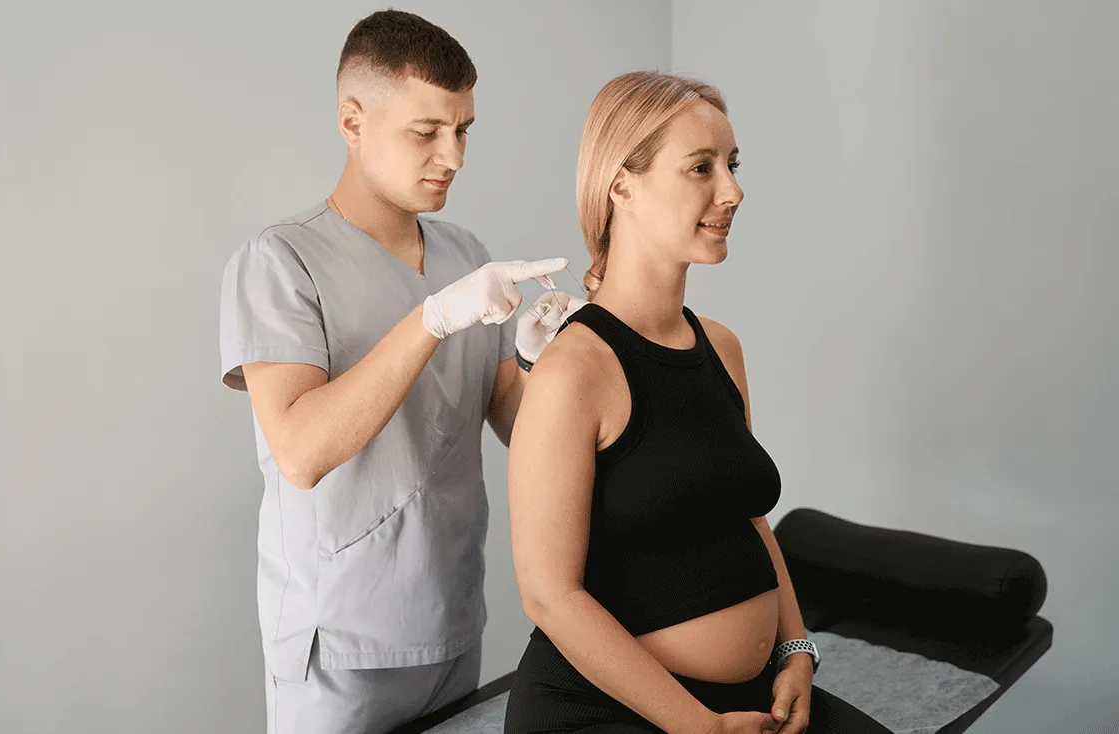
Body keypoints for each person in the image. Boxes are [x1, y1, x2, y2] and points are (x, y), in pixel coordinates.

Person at [217, 10, 580, 734]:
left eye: (463, 129)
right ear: (353, 121)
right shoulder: (280, 263)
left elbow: (512, 421)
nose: (454, 155)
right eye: (427, 132)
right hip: (340, 647)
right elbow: (301, 450)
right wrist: (429, 320)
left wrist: (537, 361)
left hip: (451, 619)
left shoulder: (463, 253)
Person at [502, 72, 888, 734]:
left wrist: (797, 654)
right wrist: (695, 727)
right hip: (607, 710)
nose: (732, 191)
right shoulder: (575, 371)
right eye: (701, 168)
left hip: (754, 697)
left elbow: (749, 517)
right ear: (621, 184)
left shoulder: (723, 348)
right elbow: (550, 595)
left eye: (731, 166)